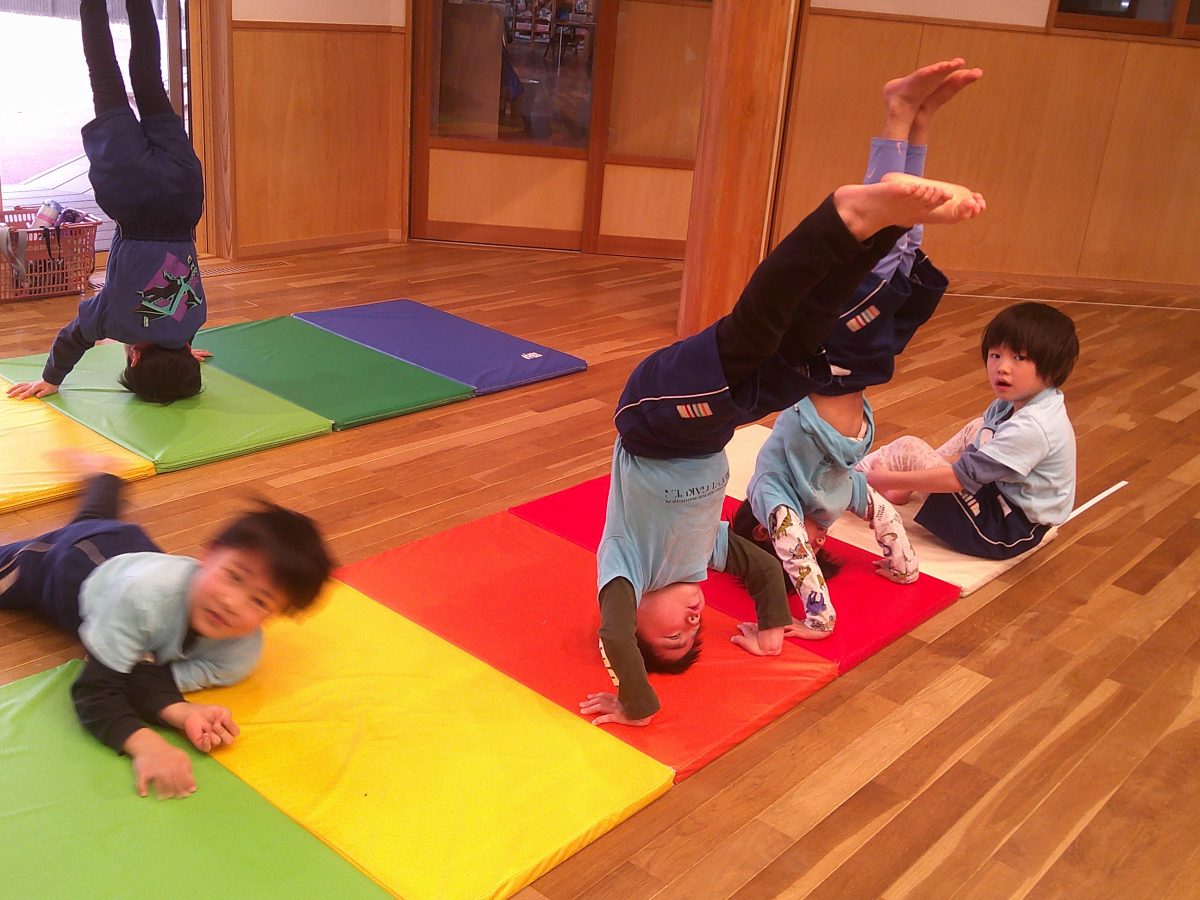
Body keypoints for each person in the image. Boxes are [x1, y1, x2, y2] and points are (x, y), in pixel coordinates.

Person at [580, 104, 988, 727]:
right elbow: (767, 568)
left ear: (637, 617)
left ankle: (844, 217)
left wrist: (636, 704)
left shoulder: (624, 570)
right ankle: (883, 229)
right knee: (801, 346)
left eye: (671, 636)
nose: (692, 622)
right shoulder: (704, 556)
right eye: (696, 634)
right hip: (716, 424)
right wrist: (772, 627)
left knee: (750, 334)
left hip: (653, 419)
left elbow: (612, 636)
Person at [731, 61, 985, 638]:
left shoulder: (773, 494)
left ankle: (899, 113)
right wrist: (903, 568)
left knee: (882, 243)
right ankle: (919, 118)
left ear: (766, 532)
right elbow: (885, 516)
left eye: (808, 547)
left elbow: (794, 548)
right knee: (904, 244)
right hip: (860, 367)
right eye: (821, 547)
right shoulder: (832, 493)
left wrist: (816, 618)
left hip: (830, 359)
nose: (818, 543)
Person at [0, 460, 333, 799]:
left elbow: (141, 675)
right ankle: (98, 490)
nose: (232, 602)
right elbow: (94, 691)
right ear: (206, 555)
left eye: (260, 601)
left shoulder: (237, 656)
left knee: (94, 522)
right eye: (234, 576)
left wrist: (181, 712)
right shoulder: (142, 598)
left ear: (275, 615)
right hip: (71, 565)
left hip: (132, 554)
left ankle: (104, 476)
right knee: (77, 535)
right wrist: (146, 745)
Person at [6, 0, 210, 405]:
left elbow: (175, 326)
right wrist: (51, 379)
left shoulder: (193, 320)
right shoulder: (115, 320)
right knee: (105, 77)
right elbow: (73, 337)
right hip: (132, 196)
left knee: (149, 79)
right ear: (134, 358)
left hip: (183, 194)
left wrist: (182, 351)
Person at [863, 302, 1079, 559]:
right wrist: (915, 471)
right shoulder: (1012, 404)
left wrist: (888, 478)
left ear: (1052, 368)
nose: (1002, 367)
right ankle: (895, 484)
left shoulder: (1033, 426)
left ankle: (848, 483)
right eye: (995, 355)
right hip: (1002, 500)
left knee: (908, 448)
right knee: (977, 429)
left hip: (1001, 531)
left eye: (1019, 358)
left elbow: (958, 479)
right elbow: (972, 458)